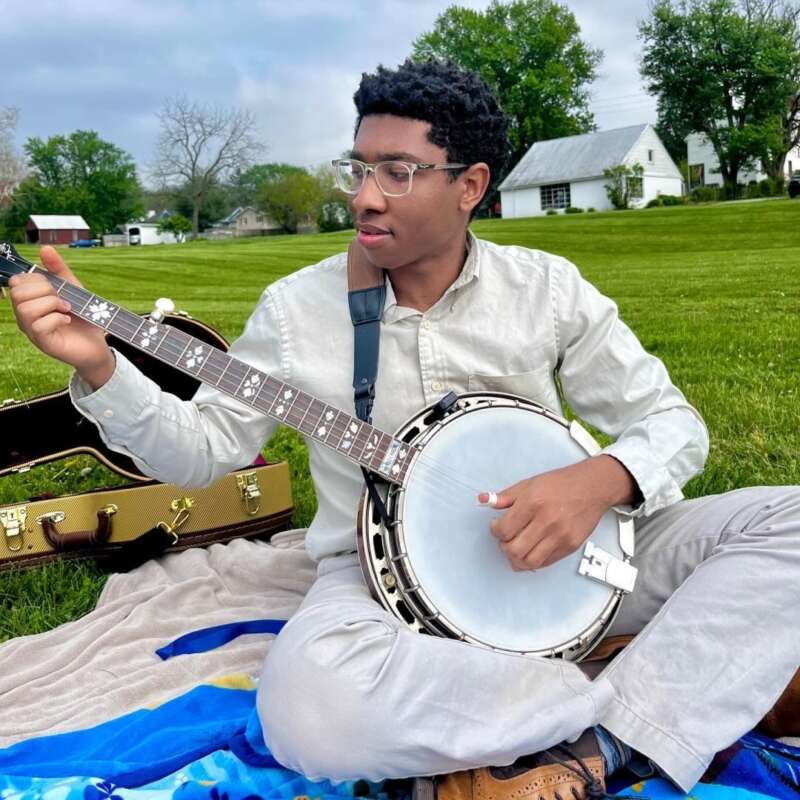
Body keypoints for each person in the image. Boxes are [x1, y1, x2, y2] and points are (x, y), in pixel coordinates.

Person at [8, 60, 800, 798]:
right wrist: (102, 368)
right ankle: (646, 706)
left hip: (578, 561)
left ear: (471, 186)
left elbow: (672, 424)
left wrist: (601, 480)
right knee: (309, 713)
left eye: (398, 172)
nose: (365, 196)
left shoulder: (546, 291)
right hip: (378, 587)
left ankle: (598, 724)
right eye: (358, 168)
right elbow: (201, 455)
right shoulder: (296, 311)